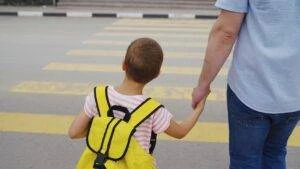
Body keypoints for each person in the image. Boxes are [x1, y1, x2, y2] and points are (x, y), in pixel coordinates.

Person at [69, 38, 208, 168]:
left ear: (124, 65)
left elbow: (74, 132)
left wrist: (108, 133)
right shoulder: (153, 111)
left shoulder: (98, 96)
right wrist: (199, 108)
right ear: (157, 74)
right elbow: (181, 132)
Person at [192, 0, 300, 168]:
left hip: (251, 91)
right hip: (294, 94)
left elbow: (226, 33)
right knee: (275, 152)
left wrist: (202, 85)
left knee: (245, 161)